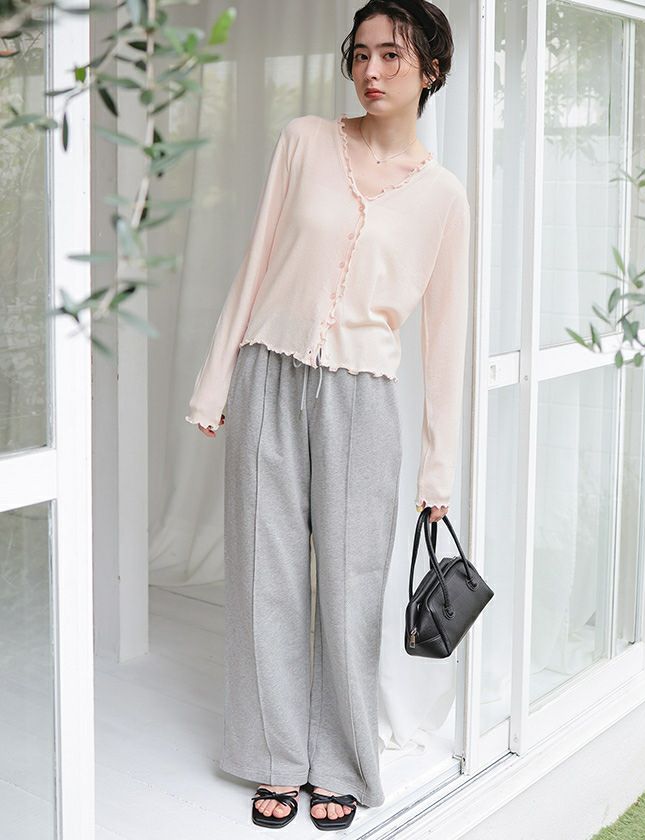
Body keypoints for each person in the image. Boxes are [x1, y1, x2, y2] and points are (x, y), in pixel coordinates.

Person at [185, 0, 470, 830]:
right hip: (267, 376)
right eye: (361, 53)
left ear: (431, 70)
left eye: (392, 55)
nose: (370, 71)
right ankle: (275, 757)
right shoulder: (304, 141)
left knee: (350, 589)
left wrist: (439, 467)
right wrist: (215, 381)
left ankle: (341, 762)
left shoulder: (444, 197)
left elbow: (446, 338)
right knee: (264, 577)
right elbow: (254, 264)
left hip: (362, 397)